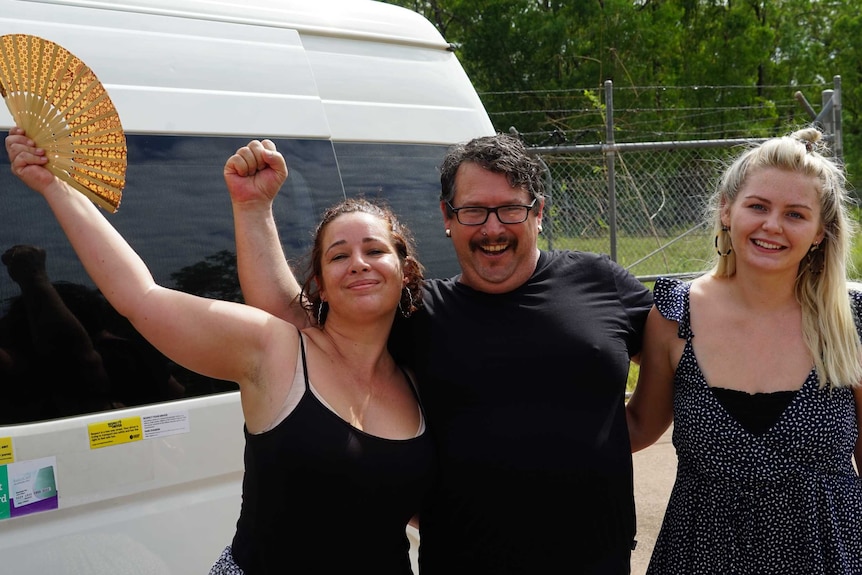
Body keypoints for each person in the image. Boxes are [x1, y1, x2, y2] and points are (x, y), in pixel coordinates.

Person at [5, 128, 435, 574]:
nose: (359, 263)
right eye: (339, 255)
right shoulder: (277, 350)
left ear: (405, 271)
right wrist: (54, 185)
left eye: (375, 250)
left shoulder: (420, 377)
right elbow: (140, 297)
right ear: (320, 285)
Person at [228, 134, 654, 574]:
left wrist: (627, 431)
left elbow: (679, 355)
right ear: (447, 216)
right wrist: (253, 208)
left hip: (596, 562)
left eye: (511, 208)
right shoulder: (416, 312)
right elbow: (292, 317)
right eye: (473, 211)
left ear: (538, 213)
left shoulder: (601, 282)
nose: (492, 229)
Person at [626, 127, 862, 574]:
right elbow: (638, 425)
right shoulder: (675, 315)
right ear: (727, 212)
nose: (772, 225)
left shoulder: (850, 322)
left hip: (832, 556)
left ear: (819, 233)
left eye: (795, 214)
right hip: (700, 557)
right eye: (758, 206)